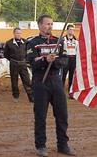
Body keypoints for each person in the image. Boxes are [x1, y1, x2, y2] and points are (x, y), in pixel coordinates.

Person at [26, 14, 76, 157]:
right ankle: (40, 146)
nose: (50, 26)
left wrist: (54, 62)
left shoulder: (59, 41)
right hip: (40, 82)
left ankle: (63, 145)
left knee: (62, 115)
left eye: (52, 24)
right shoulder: (32, 42)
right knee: (40, 116)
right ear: (40, 25)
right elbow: (32, 62)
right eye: (47, 24)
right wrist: (45, 60)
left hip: (56, 81)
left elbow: (65, 60)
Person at [4, 27, 33, 103]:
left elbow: (28, 52)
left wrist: (25, 60)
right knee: (14, 80)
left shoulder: (26, 42)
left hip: (23, 63)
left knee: (27, 80)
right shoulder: (9, 43)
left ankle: (31, 96)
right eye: (17, 33)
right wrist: (12, 60)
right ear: (14, 33)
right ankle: (16, 96)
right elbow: (6, 54)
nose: (19, 34)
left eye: (20, 33)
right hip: (13, 63)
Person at [62, 24, 78, 99]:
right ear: (67, 30)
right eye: (70, 29)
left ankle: (71, 93)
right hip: (66, 58)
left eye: (72, 30)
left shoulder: (76, 40)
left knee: (72, 77)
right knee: (63, 76)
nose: (71, 31)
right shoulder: (63, 39)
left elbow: (78, 51)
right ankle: (60, 93)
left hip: (73, 59)